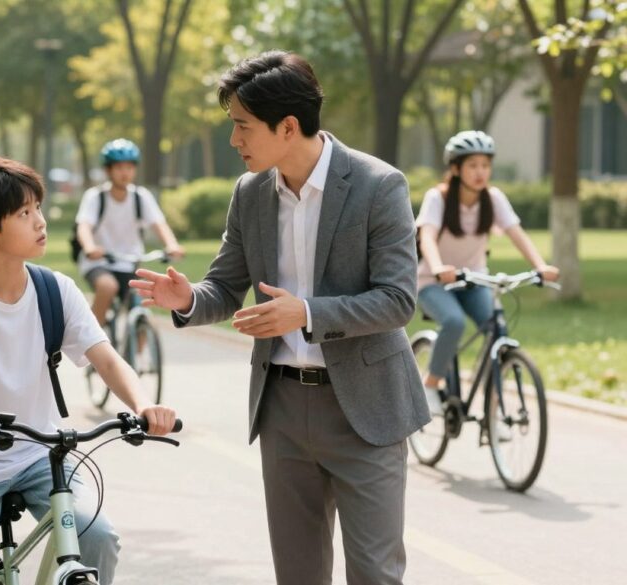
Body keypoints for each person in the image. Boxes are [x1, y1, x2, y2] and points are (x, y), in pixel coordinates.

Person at [131, 51, 427, 585]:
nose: (234, 140)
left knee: (375, 574)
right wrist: (188, 300)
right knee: (297, 575)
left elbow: (397, 300)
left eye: (242, 126)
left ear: (287, 127)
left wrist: (307, 312)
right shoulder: (250, 193)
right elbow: (224, 286)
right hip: (283, 410)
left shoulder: (378, 186)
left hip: (367, 407)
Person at [0, 157, 177, 585]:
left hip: (38, 455)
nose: (40, 221)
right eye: (23, 213)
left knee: (100, 537)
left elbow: (106, 358)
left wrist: (144, 405)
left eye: (37, 207)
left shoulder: (55, 289)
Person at [416, 130, 559, 414]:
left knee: (498, 328)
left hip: (474, 279)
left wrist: (540, 266)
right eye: (473, 165)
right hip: (433, 282)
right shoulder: (438, 198)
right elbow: (427, 237)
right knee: (454, 323)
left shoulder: (493, 199)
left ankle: (495, 407)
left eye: (485, 165)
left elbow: (517, 234)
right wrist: (437, 267)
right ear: (456, 168)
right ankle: (431, 383)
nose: (481, 172)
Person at [74, 139, 185, 326]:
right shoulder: (95, 197)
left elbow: (159, 224)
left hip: (130, 262)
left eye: (129, 167)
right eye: (118, 167)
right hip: (100, 261)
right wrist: (90, 246)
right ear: (108, 170)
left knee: (144, 299)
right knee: (107, 287)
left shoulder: (141, 197)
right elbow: (83, 226)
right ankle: (93, 340)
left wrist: (171, 245)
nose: (125, 173)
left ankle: (137, 347)